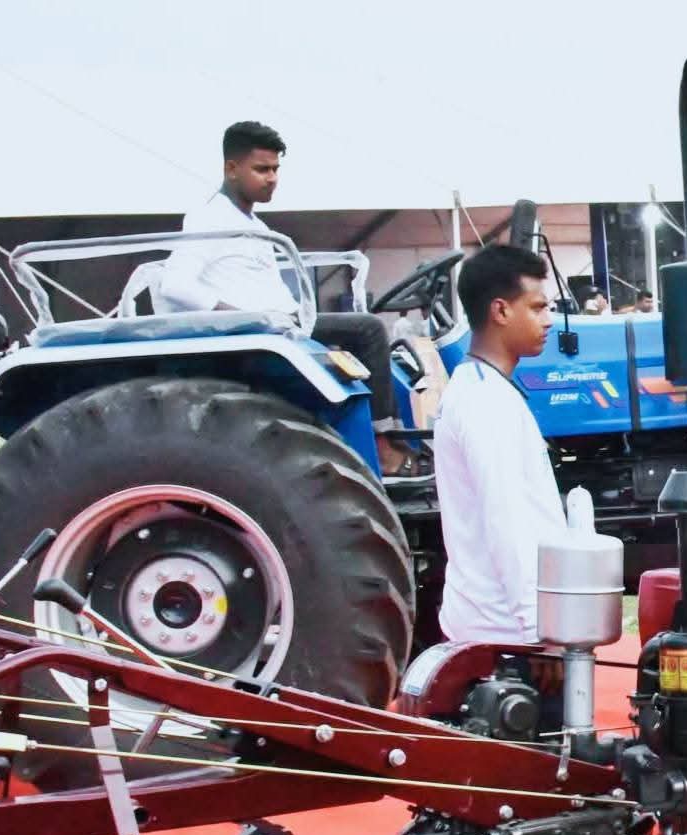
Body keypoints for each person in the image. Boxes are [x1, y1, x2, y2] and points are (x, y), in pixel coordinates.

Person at [161, 121, 416, 476]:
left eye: (276, 169)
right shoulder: (210, 219)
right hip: (266, 334)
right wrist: (240, 317)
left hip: (287, 324)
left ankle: (395, 437)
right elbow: (175, 285)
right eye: (261, 169)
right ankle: (383, 446)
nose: (272, 178)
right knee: (369, 330)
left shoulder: (254, 225)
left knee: (389, 351)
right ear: (231, 168)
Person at [433, 245, 560, 644]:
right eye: (538, 308)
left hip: (500, 627)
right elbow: (507, 520)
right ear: (501, 311)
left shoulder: (484, 390)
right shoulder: (484, 400)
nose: (549, 320)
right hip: (506, 636)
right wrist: (538, 630)